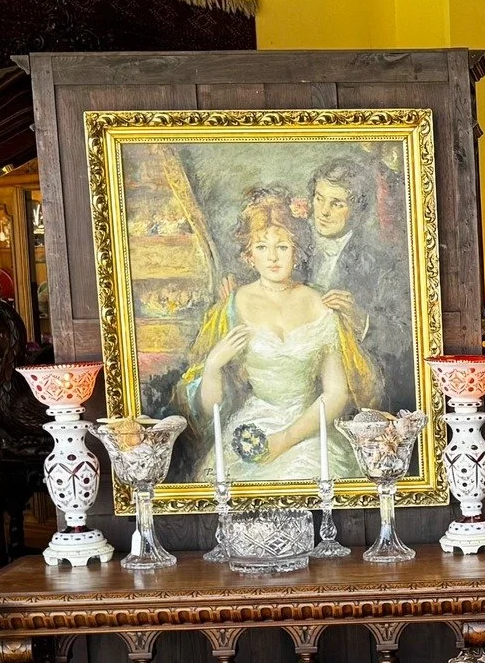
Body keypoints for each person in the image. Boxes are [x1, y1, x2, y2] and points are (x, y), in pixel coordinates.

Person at [177, 186, 363, 481]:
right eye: (262, 247)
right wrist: (213, 365)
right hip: (254, 425)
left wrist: (285, 439)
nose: (273, 257)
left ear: (296, 251)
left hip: (309, 427)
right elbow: (210, 410)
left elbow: (336, 393)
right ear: (249, 256)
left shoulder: (320, 304)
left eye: (283, 247)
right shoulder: (233, 306)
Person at [307, 156, 412, 412]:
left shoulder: (383, 264)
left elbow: (404, 341)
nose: (323, 211)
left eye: (337, 203)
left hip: (355, 396)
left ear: (358, 210)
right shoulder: (295, 249)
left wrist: (362, 321)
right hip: (302, 385)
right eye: (319, 198)